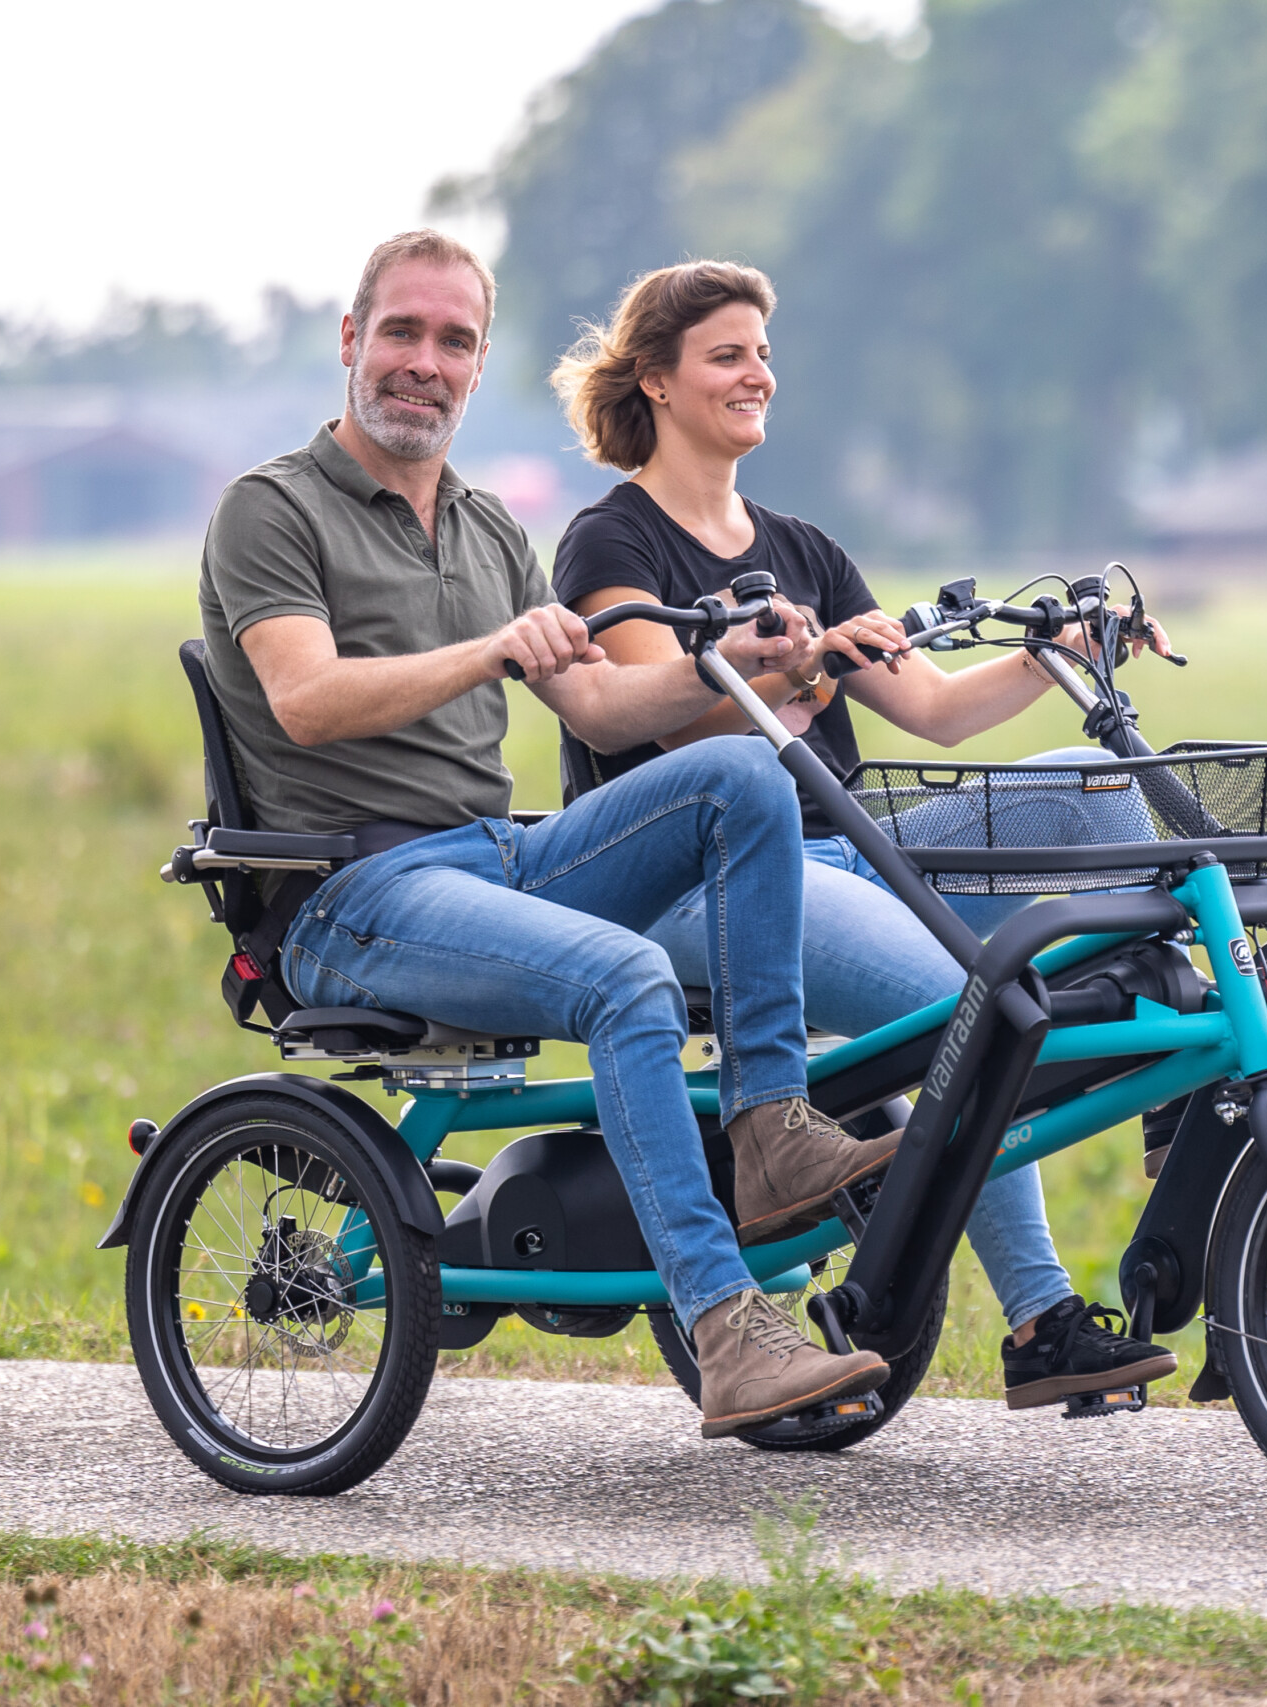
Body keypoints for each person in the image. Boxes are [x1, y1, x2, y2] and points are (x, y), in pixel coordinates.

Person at [196, 229, 897, 1440]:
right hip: (351, 894)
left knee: (740, 773)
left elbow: (603, 708)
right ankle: (726, 1329)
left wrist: (728, 668)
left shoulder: (486, 528)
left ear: (478, 366)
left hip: (494, 857)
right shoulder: (273, 508)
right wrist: (486, 652)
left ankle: (770, 1133)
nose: (425, 362)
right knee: (627, 977)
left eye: (454, 341)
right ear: (352, 340)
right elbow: (304, 702)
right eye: (403, 332)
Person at [546, 260, 1176, 1411]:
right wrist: (798, 668)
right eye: (727, 355)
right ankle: (1040, 1321)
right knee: (971, 1008)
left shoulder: (802, 545)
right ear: (657, 382)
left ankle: (1175, 1076)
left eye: (763, 352)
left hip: (846, 849)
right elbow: (659, 724)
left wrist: (1055, 655)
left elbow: (932, 709)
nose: (757, 374)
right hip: (705, 883)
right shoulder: (611, 545)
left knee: (1090, 779)